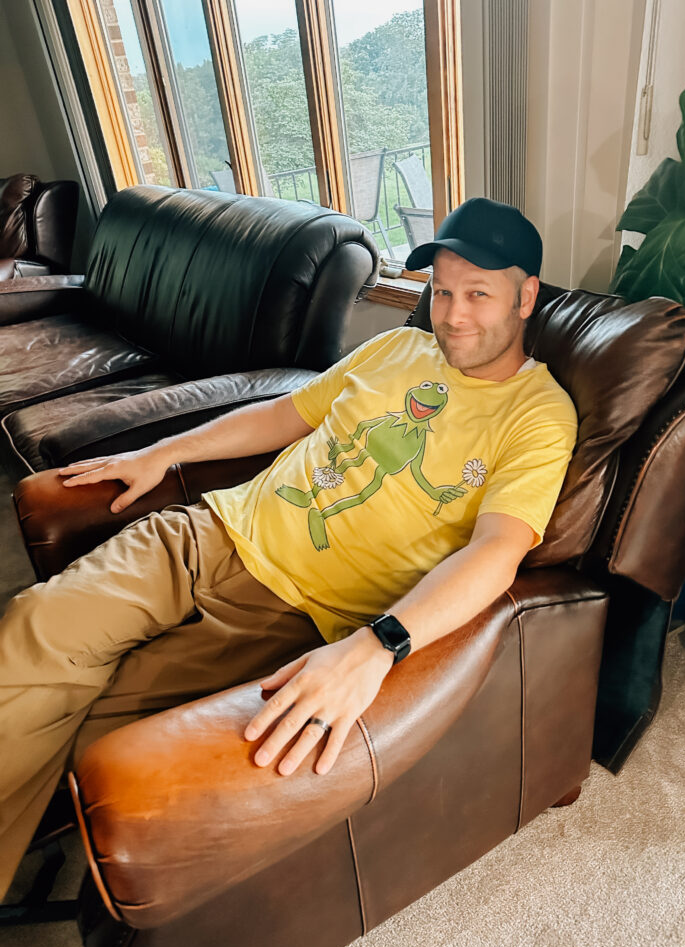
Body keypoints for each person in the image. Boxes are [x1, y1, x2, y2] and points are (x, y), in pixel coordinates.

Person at [0, 197, 577, 899]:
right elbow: (283, 412)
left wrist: (377, 646)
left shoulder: (539, 415)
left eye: (478, 294)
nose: (453, 314)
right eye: (444, 290)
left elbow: (496, 552)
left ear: (526, 297)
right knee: (31, 631)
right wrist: (163, 451)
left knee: (95, 740)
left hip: (288, 613)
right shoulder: (400, 346)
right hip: (205, 533)